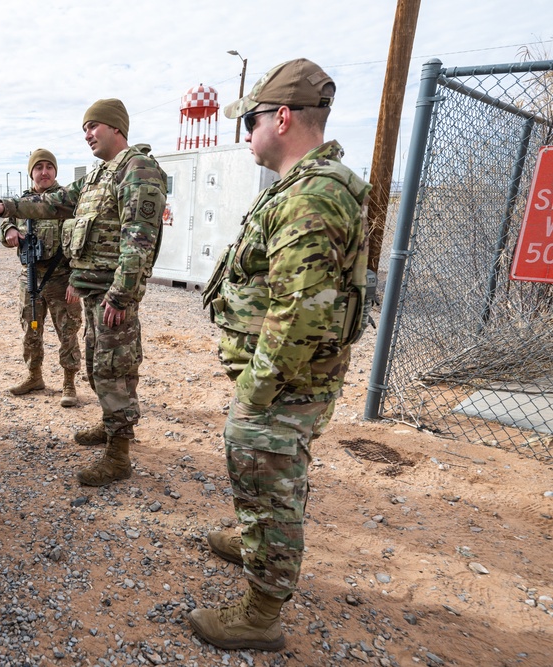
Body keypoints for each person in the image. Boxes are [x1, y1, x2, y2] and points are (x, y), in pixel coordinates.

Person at [191, 58, 371, 650]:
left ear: (284, 117)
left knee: (268, 481)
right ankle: (253, 543)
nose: (247, 134)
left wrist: (255, 392)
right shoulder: (306, 187)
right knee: (271, 479)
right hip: (288, 379)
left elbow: (300, 314)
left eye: (253, 121)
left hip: (283, 384)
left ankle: (261, 614)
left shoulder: (311, 197)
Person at [0, 99, 167, 487]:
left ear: (116, 128)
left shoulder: (138, 170)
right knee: (98, 365)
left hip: (112, 297)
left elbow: (139, 243)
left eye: (94, 126)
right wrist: (7, 206)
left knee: (116, 371)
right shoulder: (96, 177)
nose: (88, 134)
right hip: (94, 293)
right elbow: (54, 202)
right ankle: (109, 429)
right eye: (84, 129)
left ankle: (118, 455)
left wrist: (121, 297)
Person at [0, 148, 82, 407]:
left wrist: (76, 279)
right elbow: (5, 224)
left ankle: (69, 382)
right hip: (31, 278)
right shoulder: (22, 202)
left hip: (61, 279)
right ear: (31, 172)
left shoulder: (67, 202)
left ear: (55, 171)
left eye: (49, 167)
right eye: (39, 167)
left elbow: (84, 241)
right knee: (30, 331)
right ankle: (34, 376)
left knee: (67, 333)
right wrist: (10, 228)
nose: (44, 172)